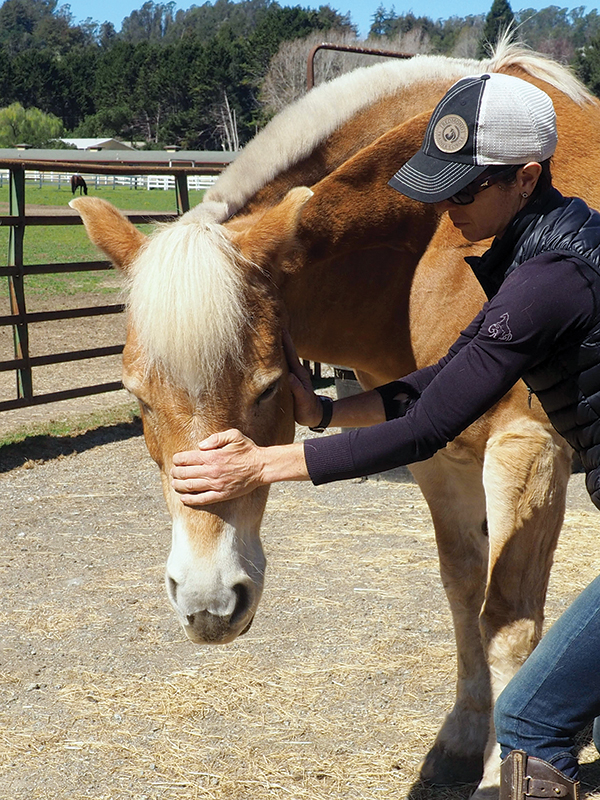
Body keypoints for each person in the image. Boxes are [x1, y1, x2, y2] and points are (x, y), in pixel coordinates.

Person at [171, 72, 600, 799]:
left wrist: (268, 464)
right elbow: (445, 380)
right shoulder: (550, 248)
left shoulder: (548, 282)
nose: (444, 207)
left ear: (526, 178)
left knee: (528, 720)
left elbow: (428, 428)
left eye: (462, 191)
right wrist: (329, 412)